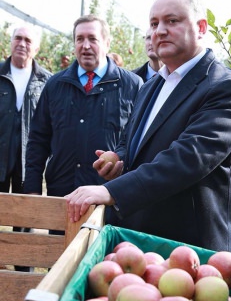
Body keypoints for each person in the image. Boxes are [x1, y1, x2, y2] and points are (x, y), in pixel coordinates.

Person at [65, 0, 231, 253]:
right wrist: (119, 159)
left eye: (172, 21)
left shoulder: (226, 88)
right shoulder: (151, 86)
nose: (160, 30)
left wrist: (113, 191)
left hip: (188, 250)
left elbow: (187, 159)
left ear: (201, 27)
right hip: (138, 241)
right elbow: (130, 140)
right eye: (154, 23)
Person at [24, 15, 143, 199]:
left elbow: (138, 139)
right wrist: (32, 188)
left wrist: (120, 159)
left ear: (107, 43)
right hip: (62, 194)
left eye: (92, 39)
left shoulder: (131, 85)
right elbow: (38, 139)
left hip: (109, 195)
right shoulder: (55, 85)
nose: (85, 45)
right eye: (79, 39)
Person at [0, 25, 52, 271]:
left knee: (24, 216)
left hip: (27, 160)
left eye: (27, 40)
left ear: (37, 47)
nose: (21, 43)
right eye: (17, 38)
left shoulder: (46, 81)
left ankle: (23, 272)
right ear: (10, 42)